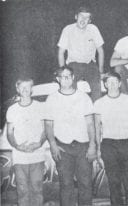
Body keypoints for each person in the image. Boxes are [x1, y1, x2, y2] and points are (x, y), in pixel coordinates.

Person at [45, 67, 97, 206]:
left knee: (85, 184)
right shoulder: (52, 99)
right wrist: (53, 145)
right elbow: (48, 125)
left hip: (83, 146)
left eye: (69, 76)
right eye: (63, 76)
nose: (66, 79)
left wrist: (92, 145)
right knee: (66, 185)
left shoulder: (83, 97)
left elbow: (90, 123)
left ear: (73, 77)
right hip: (63, 147)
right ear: (58, 79)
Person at [93, 72, 128, 206]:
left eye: (115, 82)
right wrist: (98, 149)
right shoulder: (99, 103)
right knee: (114, 182)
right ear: (105, 85)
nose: (112, 85)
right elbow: (97, 128)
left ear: (120, 83)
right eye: (109, 82)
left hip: (127, 144)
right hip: (108, 145)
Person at [6, 77, 46, 206]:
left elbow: (46, 129)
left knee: (37, 188)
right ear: (17, 89)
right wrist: (17, 146)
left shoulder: (40, 107)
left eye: (27, 87)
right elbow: (10, 133)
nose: (24, 90)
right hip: (20, 156)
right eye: (21, 87)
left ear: (31, 89)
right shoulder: (12, 110)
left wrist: (39, 143)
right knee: (22, 190)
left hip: (37, 155)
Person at [57, 6, 104, 101]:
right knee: (71, 86)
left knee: (97, 87)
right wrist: (63, 71)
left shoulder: (93, 29)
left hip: (90, 64)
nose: (83, 20)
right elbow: (61, 52)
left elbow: (101, 51)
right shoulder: (68, 29)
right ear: (76, 17)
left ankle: (95, 113)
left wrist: (101, 71)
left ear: (90, 20)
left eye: (87, 18)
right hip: (73, 64)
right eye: (81, 16)